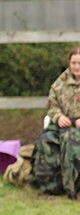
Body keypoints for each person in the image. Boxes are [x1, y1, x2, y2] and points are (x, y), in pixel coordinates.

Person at [31, 48, 80, 197]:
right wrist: (58, 117)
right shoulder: (60, 83)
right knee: (45, 141)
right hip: (63, 124)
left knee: (72, 143)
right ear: (69, 63)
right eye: (74, 63)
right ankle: (51, 185)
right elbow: (52, 105)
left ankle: (74, 186)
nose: (77, 67)